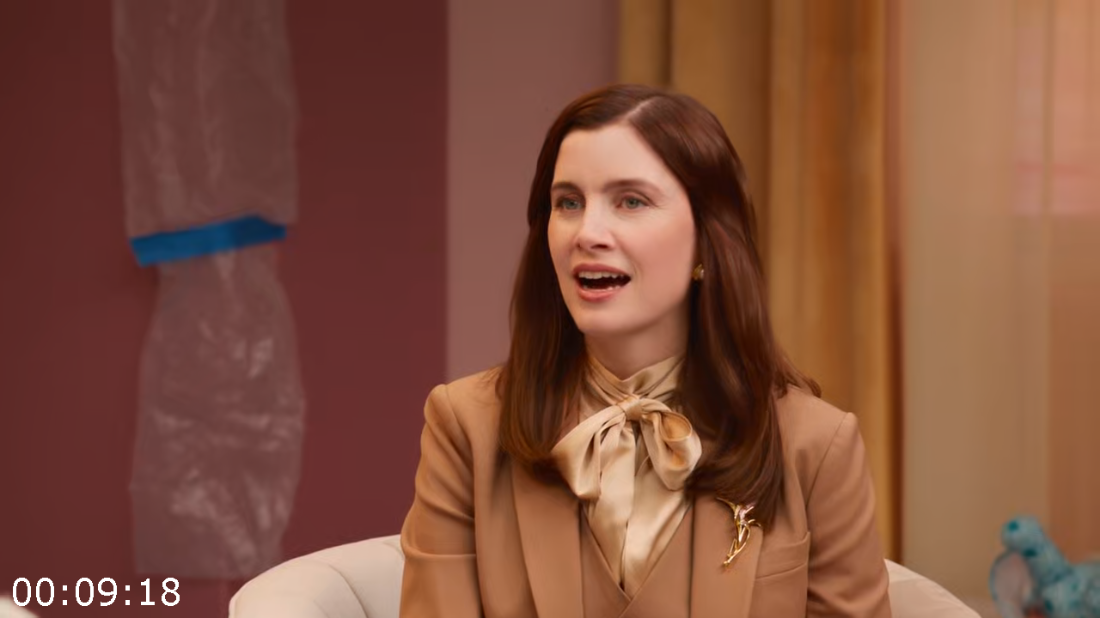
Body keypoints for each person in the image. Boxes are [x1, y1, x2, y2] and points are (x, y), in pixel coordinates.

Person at [399, 84, 892, 617]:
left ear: (708, 239)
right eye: (568, 202)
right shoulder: (464, 428)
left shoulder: (817, 446)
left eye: (630, 201)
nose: (587, 233)